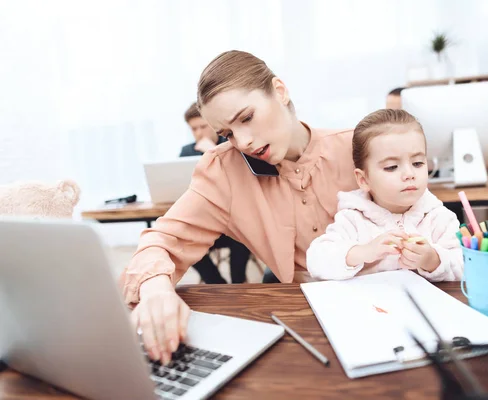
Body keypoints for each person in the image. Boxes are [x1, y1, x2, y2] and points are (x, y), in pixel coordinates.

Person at [120, 50, 358, 365]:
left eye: (246, 118)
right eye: (228, 133)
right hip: (306, 324)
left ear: (280, 92)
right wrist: (156, 291)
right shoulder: (223, 172)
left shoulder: (358, 145)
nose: (243, 142)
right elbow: (159, 241)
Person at [306, 109, 463, 281]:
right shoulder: (352, 219)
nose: (409, 174)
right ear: (363, 179)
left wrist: (433, 260)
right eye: (391, 167)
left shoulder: (439, 218)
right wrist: (363, 252)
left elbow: (466, 267)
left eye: (417, 163)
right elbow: (316, 261)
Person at [179, 103, 250, 284]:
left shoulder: (230, 144)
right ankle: (216, 284)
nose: (199, 133)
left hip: (233, 223)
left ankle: (238, 285)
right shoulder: (186, 152)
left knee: (243, 236)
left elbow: (239, 184)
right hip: (206, 222)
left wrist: (211, 152)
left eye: (203, 126)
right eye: (194, 129)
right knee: (183, 242)